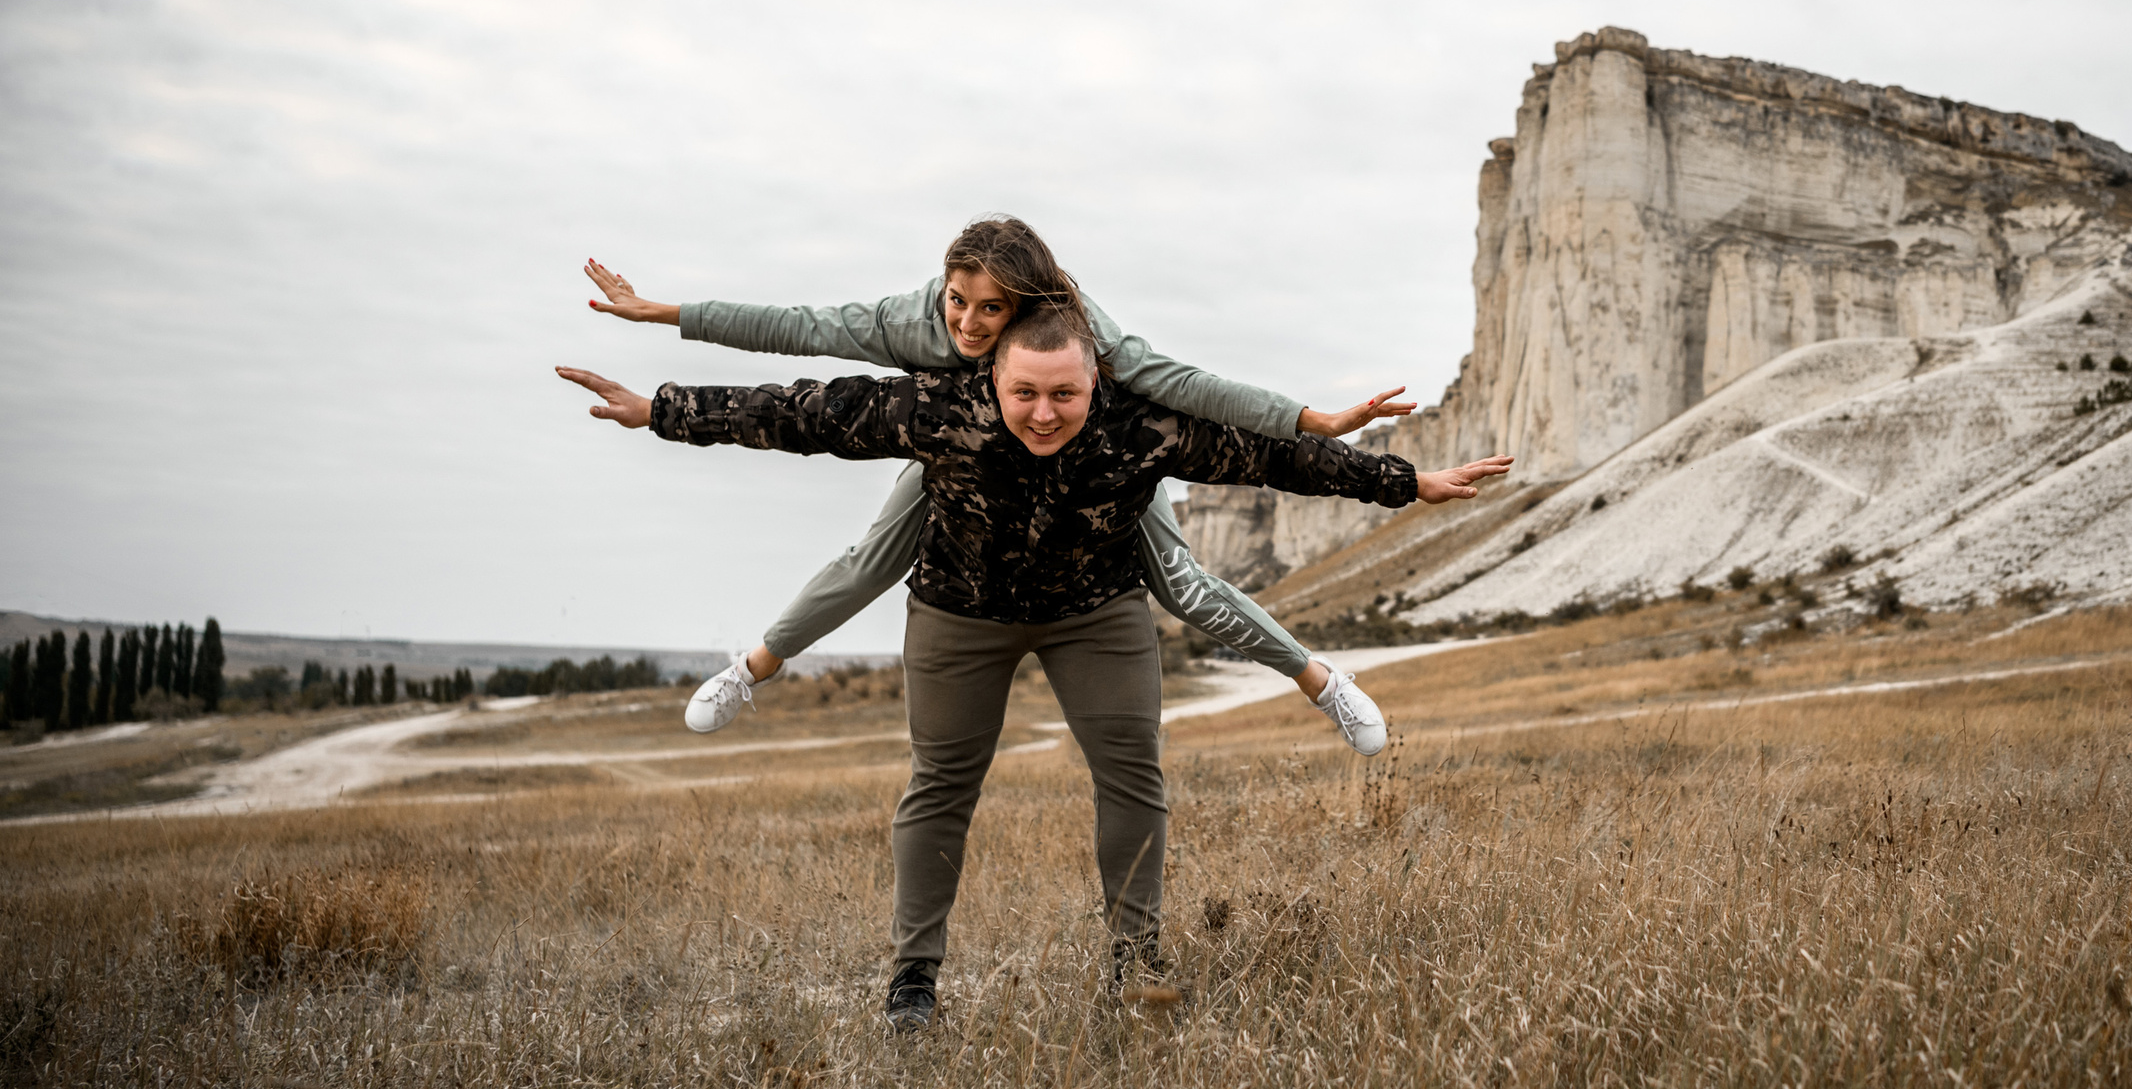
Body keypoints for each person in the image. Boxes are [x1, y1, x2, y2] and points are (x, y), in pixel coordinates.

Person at [556, 301, 1510, 1030]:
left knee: (1132, 776)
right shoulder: (939, 406)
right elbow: (802, 411)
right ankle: (913, 981)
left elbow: (1276, 458)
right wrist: (660, 412)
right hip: (958, 613)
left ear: (1098, 381)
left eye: (1066, 393)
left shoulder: (1143, 425)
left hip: (1094, 613)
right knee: (940, 784)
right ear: (993, 379)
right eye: (1025, 393)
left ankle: (1135, 966)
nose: (1045, 412)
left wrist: (1405, 481)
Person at [582, 217, 1416, 753]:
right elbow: (796, 337)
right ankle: (750, 670)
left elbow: (1192, 386)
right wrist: (663, 321)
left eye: (993, 310)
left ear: (1031, 304)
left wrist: (1317, 421)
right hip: (966, 450)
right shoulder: (913, 323)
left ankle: (1322, 682)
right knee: (872, 559)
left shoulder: (1091, 336)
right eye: (960, 303)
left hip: (1101, 461)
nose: (972, 324)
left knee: (1185, 585)